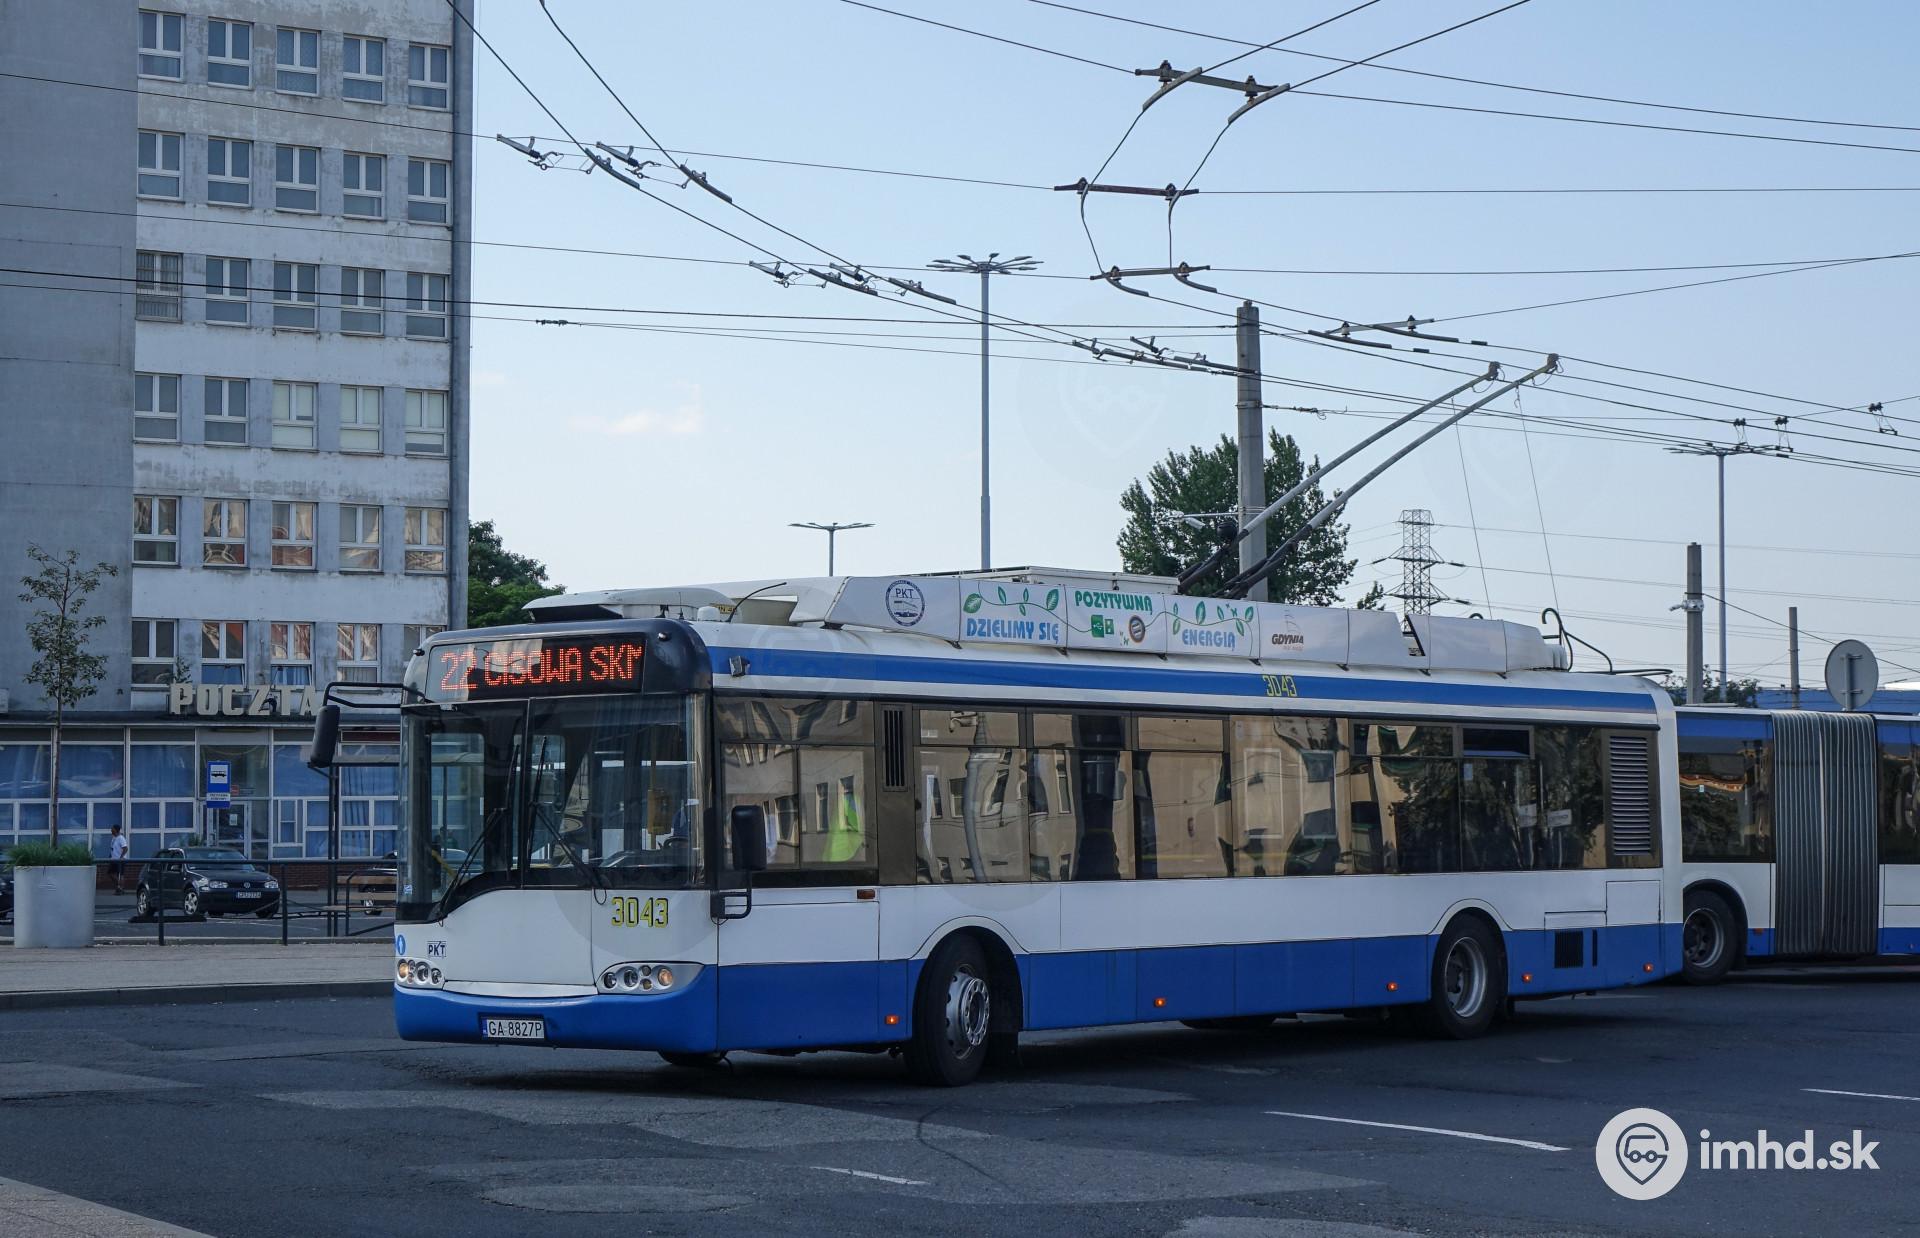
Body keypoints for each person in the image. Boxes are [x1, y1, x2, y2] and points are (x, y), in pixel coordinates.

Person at [107, 824, 129, 894]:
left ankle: (120, 888)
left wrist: (121, 857)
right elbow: (112, 849)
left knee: (120, 874)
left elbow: (125, 848)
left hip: (120, 860)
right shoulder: (113, 838)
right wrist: (110, 856)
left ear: (116, 830)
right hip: (113, 859)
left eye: (112, 829)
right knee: (110, 873)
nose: (111, 830)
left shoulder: (121, 838)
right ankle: (119, 887)